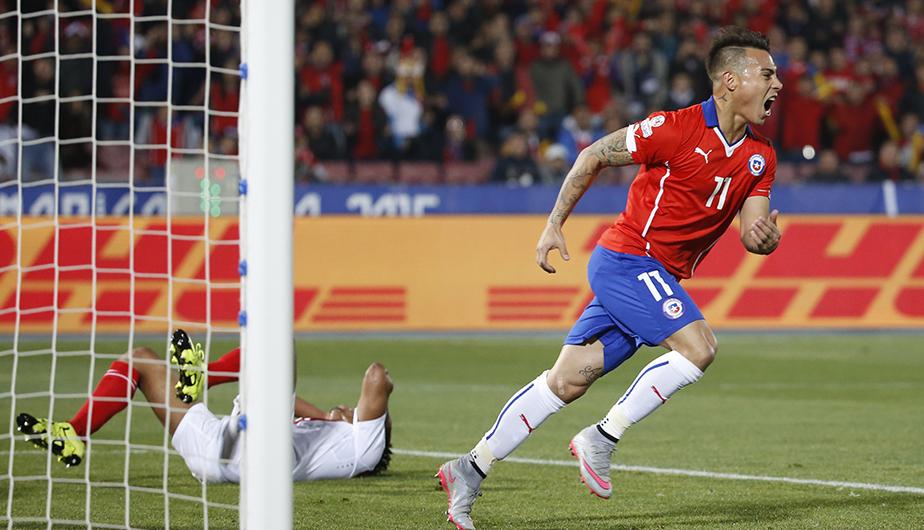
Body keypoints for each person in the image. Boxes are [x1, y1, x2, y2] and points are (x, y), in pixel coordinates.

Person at [437, 26, 783, 530]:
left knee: (567, 381)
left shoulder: (761, 156)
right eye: (767, 73)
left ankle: (469, 469)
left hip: (654, 277)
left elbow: (752, 231)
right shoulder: (673, 128)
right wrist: (554, 223)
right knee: (699, 348)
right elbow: (594, 153)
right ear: (728, 81)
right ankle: (602, 436)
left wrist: (763, 238)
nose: (778, 85)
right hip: (628, 259)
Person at [17, 329, 393, 483]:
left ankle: (202, 374)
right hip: (214, 450)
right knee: (141, 360)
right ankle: (74, 432)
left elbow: (377, 375)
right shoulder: (323, 430)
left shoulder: (365, 449)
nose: (344, 406)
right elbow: (285, 400)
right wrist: (326, 415)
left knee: (278, 337)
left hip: (267, 460)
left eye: (351, 410)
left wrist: (360, 417)